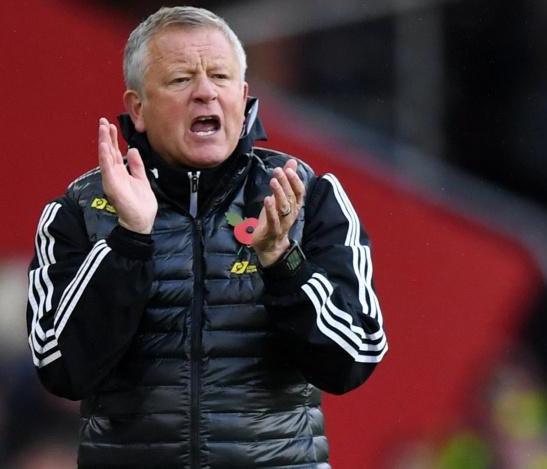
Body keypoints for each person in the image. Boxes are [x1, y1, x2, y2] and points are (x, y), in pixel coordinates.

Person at [25, 6, 387, 467]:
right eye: (181, 79)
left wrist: (283, 261)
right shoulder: (78, 210)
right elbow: (61, 368)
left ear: (243, 94)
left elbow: (353, 358)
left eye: (220, 76)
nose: (205, 92)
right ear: (138, 109)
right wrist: (129, 241)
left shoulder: (309, 196)